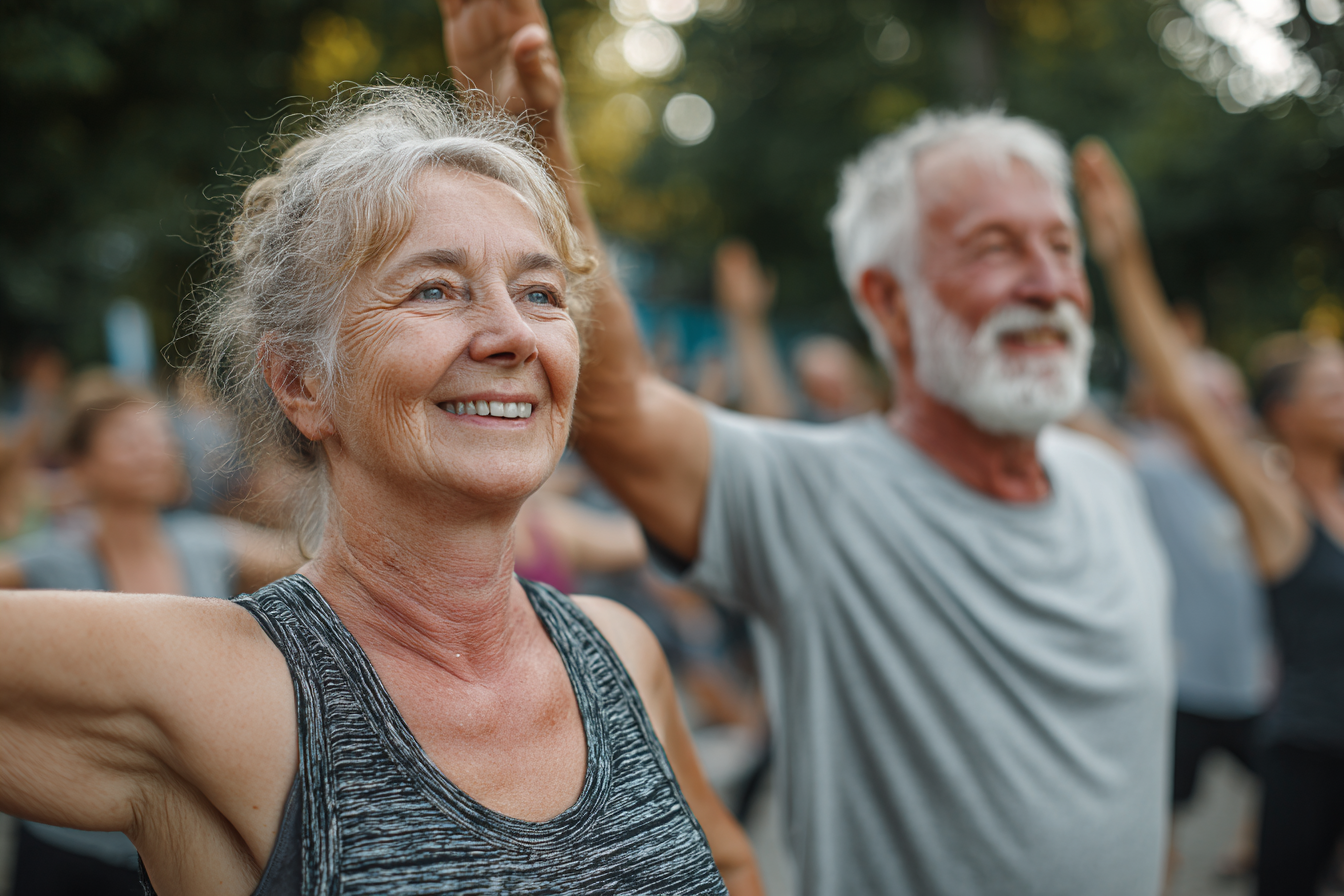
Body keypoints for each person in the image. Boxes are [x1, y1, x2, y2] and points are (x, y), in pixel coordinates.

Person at [440, 4, 1173, 894]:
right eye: (998, 248)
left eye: (1062, 247)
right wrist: (525, 135)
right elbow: (617, 402)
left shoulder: (1111, 483)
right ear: (889, 301)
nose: (1050, 284)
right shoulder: (817, 496)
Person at [0, 86, 761, 895]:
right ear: (301, 383)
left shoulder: (620, 651)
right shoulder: (223, 687)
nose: (514, 335)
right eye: (434, 288)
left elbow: (733, 863)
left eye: (540, 294)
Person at [1076, 139, 1344, 896]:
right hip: (1309, 749)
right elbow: (1180, 390)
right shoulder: (1274, 505)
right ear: (1283, 414)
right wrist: (1125, 257)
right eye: (1330, 391)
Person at [1, 384, 298, 894]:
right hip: (67, 841)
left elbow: (326, 569)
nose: (154, 449)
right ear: (81, 463)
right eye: (130, 438)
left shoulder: (209, 544)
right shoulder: (49, 560)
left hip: (182, 848)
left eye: (161, 436)